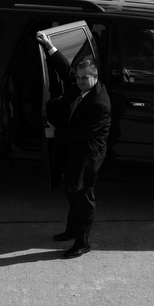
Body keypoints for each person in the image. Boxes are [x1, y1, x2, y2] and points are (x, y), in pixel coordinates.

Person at [39, 35, 111, 258]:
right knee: (72, 192)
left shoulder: (99, 103)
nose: (79, 82)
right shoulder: (80, 86)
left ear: (95, 77)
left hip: (86, 157)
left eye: (84, 79)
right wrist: (49, 46)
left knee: (83, 198)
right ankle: (71, 230)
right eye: (78, 78)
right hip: (72, 151)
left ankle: (83, 242)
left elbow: (83, 133)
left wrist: (55, 134)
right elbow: (66, 71)